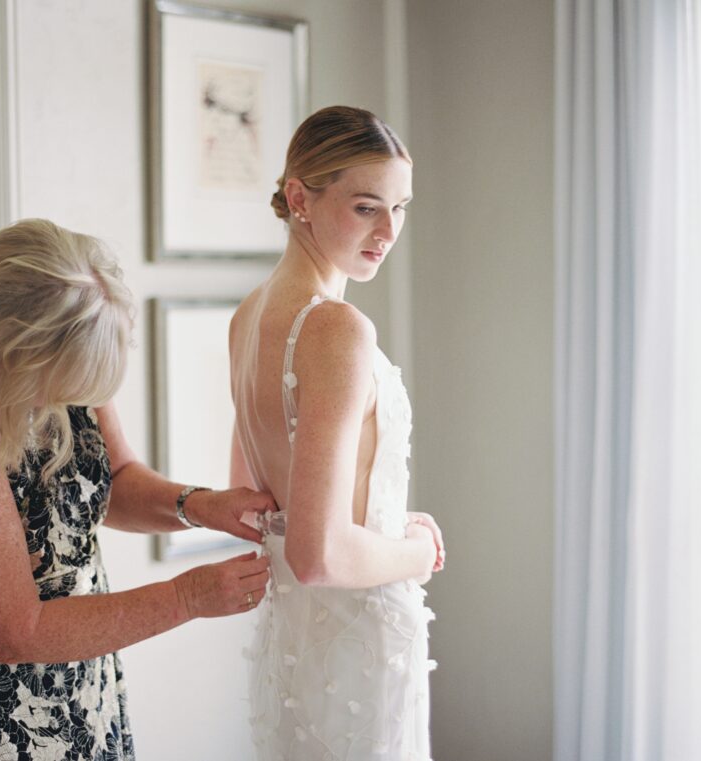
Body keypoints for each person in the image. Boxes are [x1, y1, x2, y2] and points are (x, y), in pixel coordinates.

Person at [0, 218, 273, 759]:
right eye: (61, 390)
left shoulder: (60, 339)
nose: (68, 404)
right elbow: (12, 630)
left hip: (75, 688)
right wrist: (187, 597)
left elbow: (113, 480)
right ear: (17, 355)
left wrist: (199, 506)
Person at [229, 106, 446, 760]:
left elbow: (249, 501)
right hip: (356, 634)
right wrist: (419, 549)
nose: (389, 231)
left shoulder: (249, 315)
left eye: (400, 207)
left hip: (294, 641)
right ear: (300, 197)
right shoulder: (336, 330)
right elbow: (318, 554)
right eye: (365, 207)